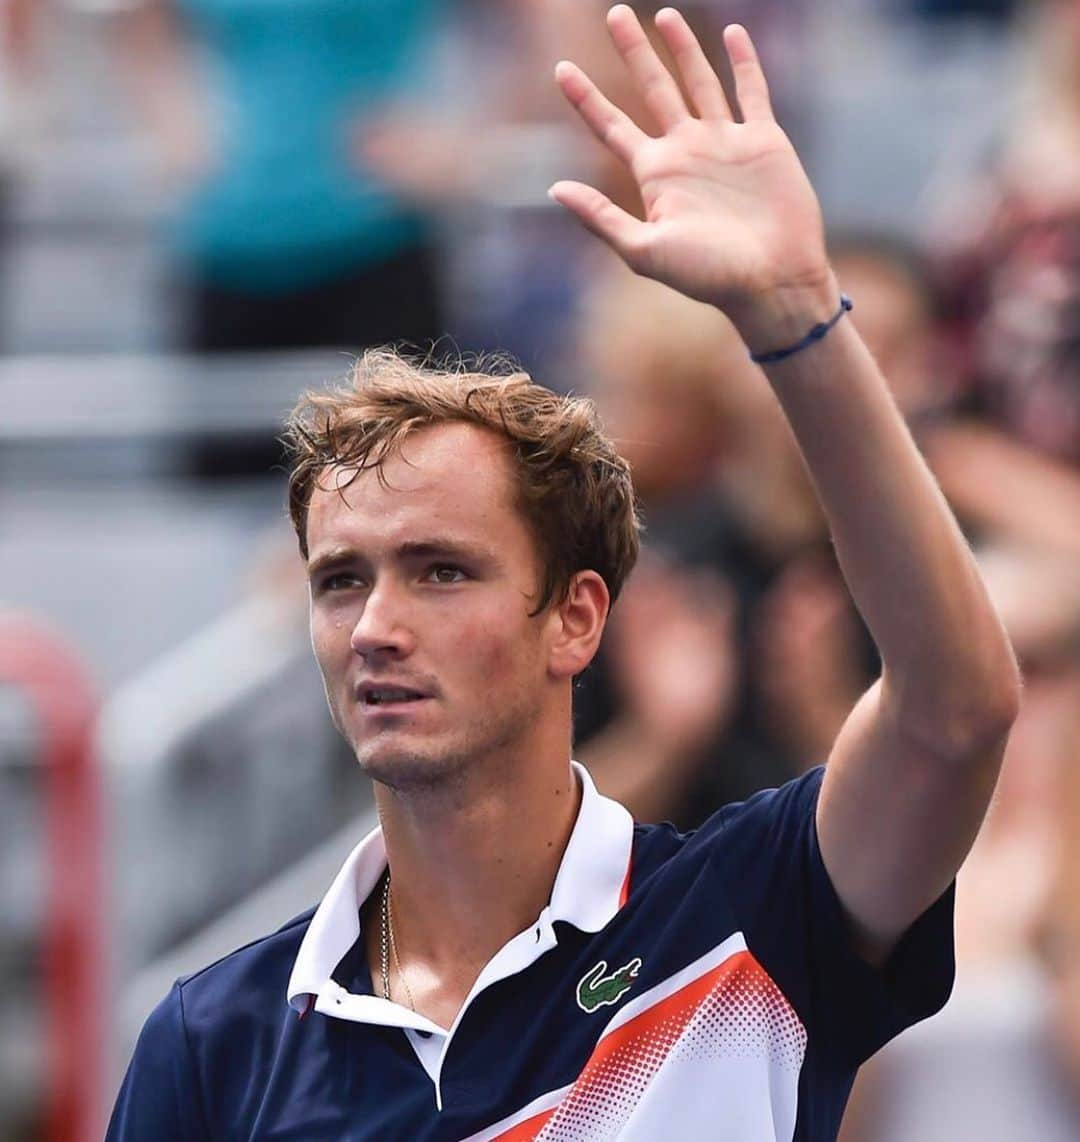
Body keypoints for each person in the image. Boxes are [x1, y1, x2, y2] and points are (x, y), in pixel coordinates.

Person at [106, 7, 1020, 1139]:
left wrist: (795, 318)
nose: (376, 624)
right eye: (340, 580)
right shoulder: (211, 1037)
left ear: (577, 617)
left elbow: (955, 711)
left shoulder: (750, 911)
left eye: (441, 571)